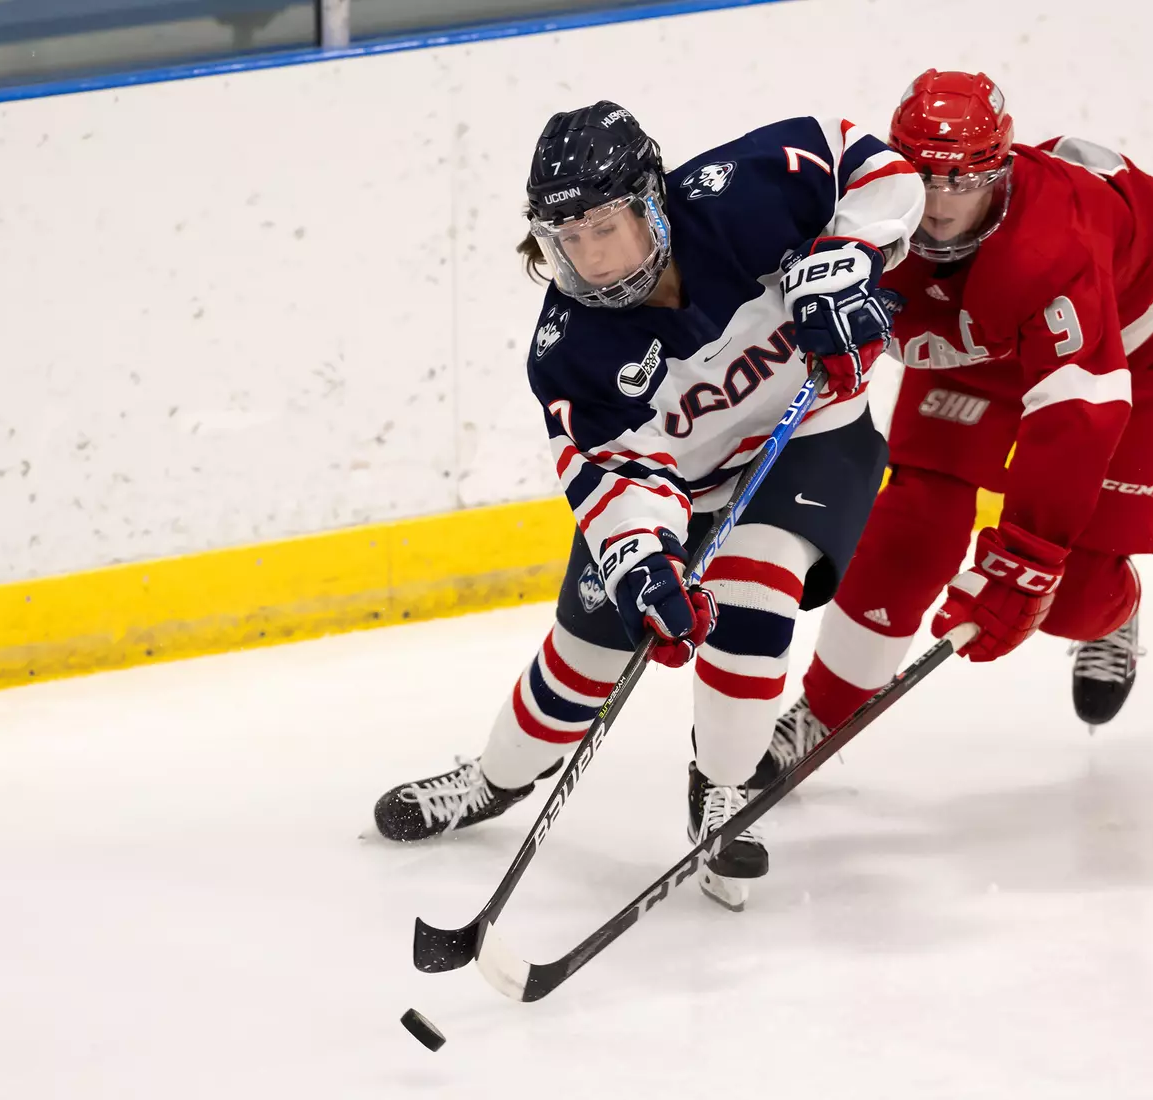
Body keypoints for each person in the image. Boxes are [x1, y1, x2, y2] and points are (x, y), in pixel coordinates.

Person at [371, 100, 924, 910]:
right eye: (569, 240)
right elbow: (616, 479)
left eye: (606, 228)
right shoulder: (568, 353)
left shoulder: (739, 194)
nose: (592, 258)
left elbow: (872, 165)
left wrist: (848, 256)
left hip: (811, 433)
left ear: (653, 200)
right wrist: (648, 569)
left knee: (756, 588)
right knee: (585, 656)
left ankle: (723, 791)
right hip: (683, 488)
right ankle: (494, 780)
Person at [759, 68, 1153, 781]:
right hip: (981, 336)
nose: (938, 206)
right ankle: (821, 712)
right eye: (925, 178)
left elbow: (1078, 420)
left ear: (999, 169)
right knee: (913, 524)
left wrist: (1024, 563)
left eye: (963, 181)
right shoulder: (870, 217)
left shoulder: (1051, 247)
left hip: (1126, 345)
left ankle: (1114, 611)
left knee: (1074, 600)